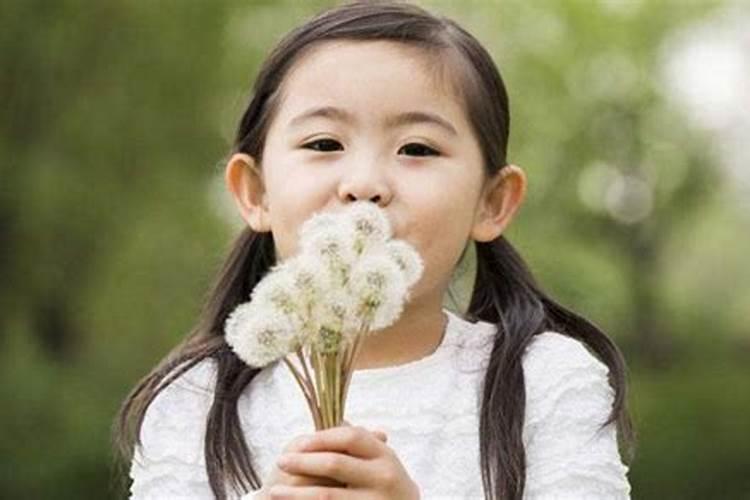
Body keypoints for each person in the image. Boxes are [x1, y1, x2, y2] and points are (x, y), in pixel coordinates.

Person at [114, 1, 637, 498]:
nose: (364, 184)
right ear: (255, 192)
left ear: (492, 202)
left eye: (417, 149)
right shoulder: (194, 402)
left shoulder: (546, 383)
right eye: (323, 144)